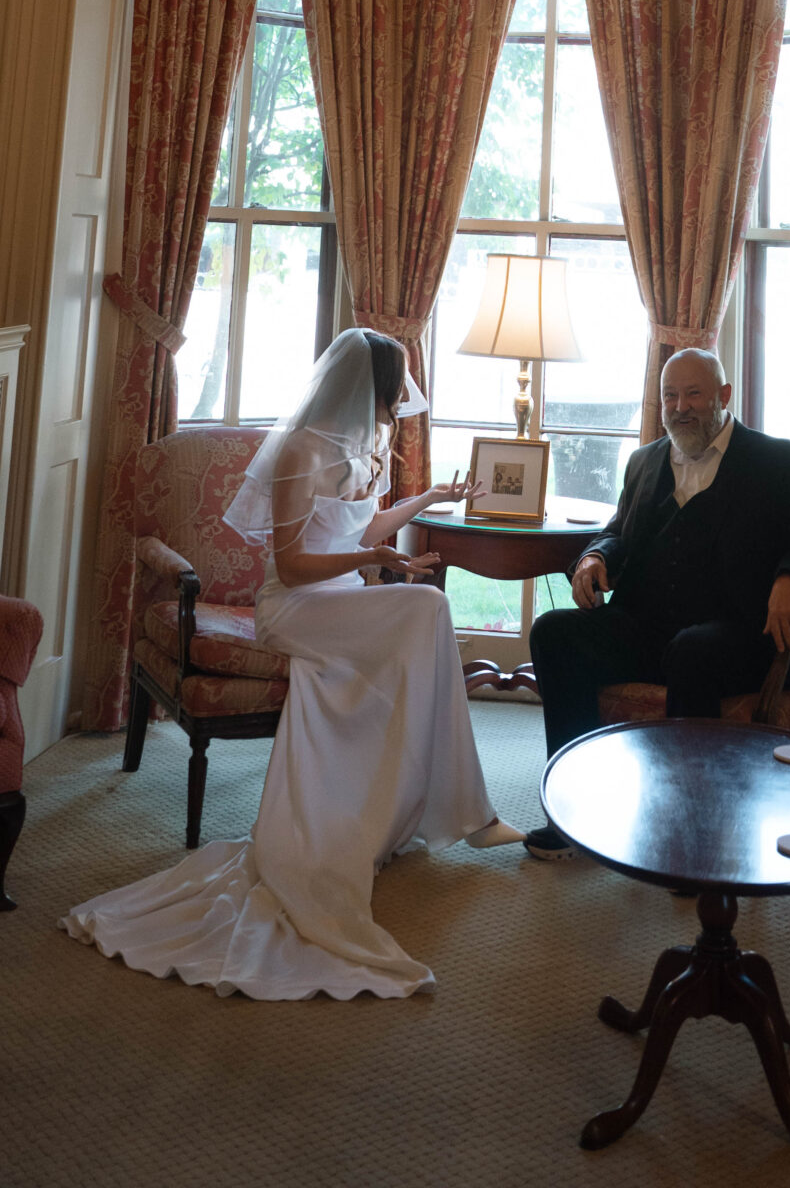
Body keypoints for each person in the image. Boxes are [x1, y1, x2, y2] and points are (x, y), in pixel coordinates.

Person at [64, 327, 521, 996]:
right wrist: (375, 562)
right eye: (395, 385)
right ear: (367, 385)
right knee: (424, 611)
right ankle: (465, 812)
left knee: (420, 624)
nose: (402, 397)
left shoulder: (368, 447)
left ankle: (410, 808)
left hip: (338, 601)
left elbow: (362, 531)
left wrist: (425, 503)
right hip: (295, 607)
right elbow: (292, 566)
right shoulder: (301, 452)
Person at [522, 345, 790, 859]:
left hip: (740, 632)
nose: (680, 407)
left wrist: (789, 579)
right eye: (670, 395)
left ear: (724, 396)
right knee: (554, 632)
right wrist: (594, 558)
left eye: (693, 394)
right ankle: (569, 811)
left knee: (692, 650)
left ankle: (692, 831)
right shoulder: (645, 461)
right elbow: (617, 532)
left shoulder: (779, 459)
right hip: (650, 627)